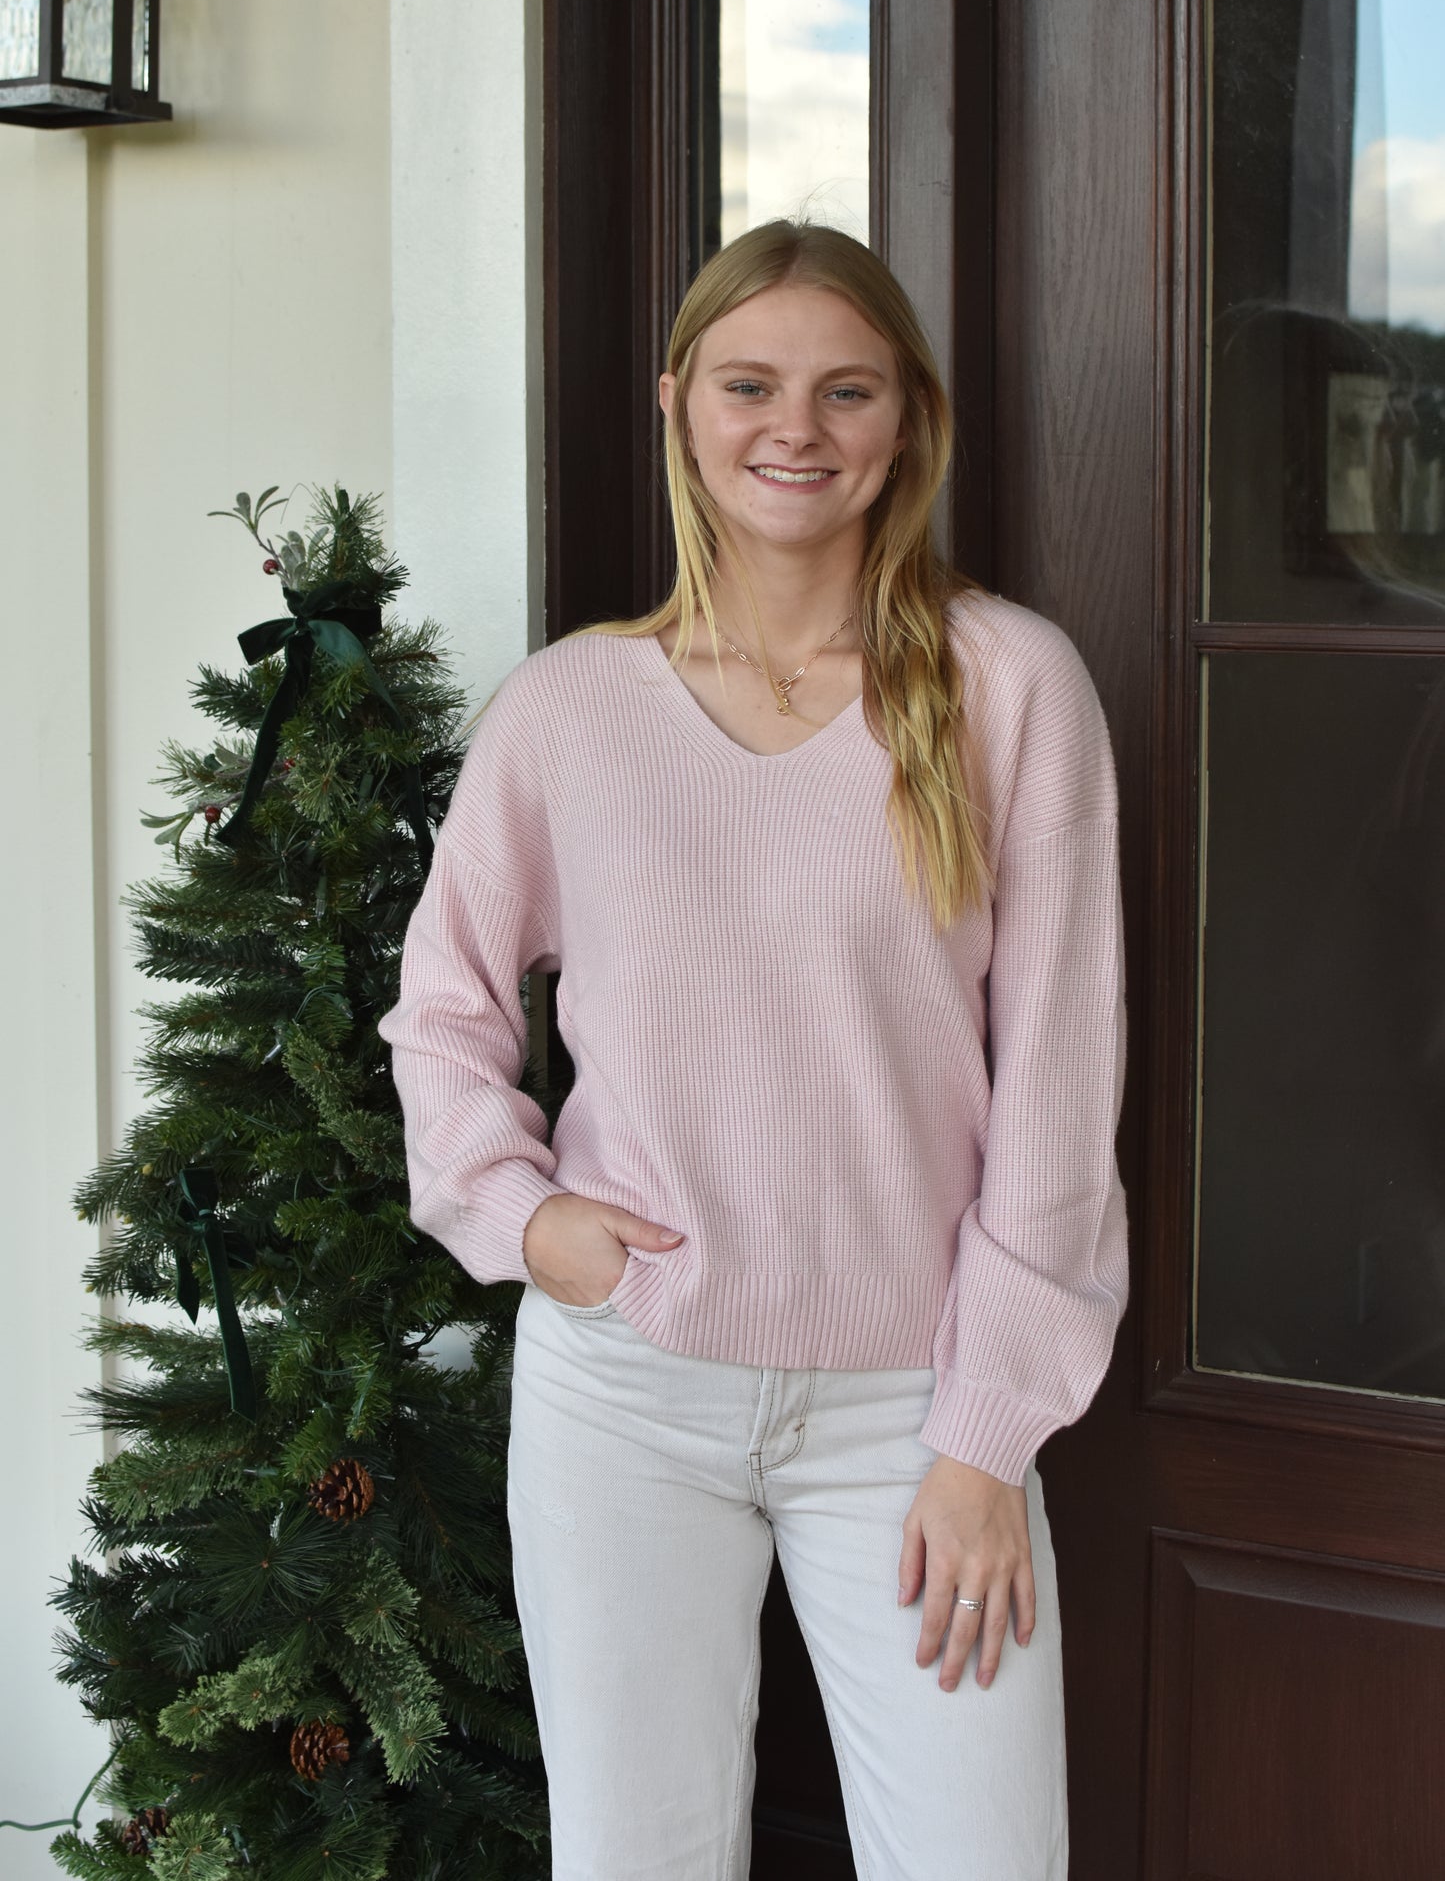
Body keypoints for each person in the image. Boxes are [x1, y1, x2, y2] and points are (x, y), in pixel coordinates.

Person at [376, 218, 1129, 1879]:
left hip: (911, 1411)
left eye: (845, 389)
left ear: (906, 422)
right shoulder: (569, 708)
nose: (796, 427)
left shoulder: (1009, 687)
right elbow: (442, 1012)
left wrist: (984, 1437)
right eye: (750, 384)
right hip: (624, 1396)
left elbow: (1062, 1092)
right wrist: (521, 1222)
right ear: (677, 407)